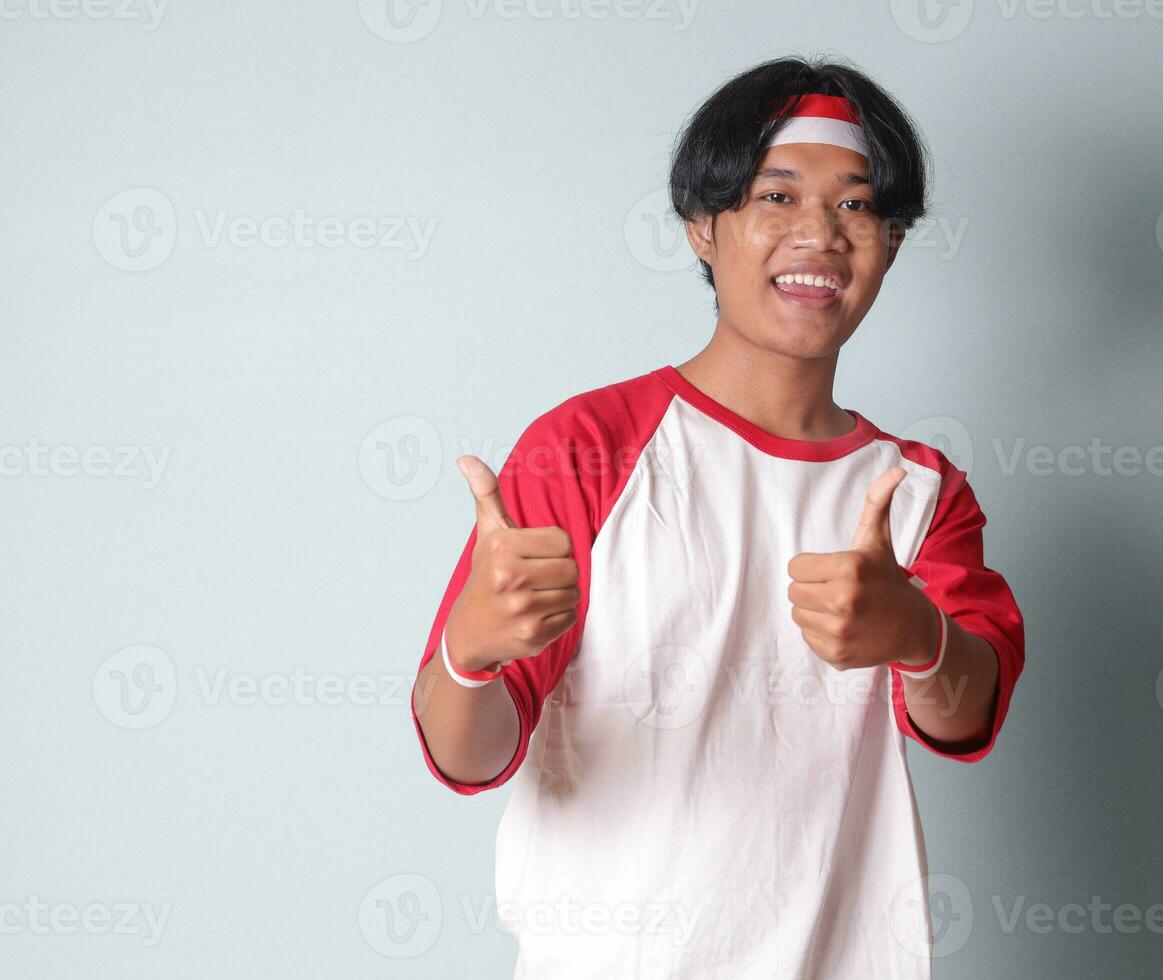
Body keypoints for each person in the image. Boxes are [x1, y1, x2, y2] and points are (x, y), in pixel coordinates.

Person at [410, 54, 1026, 979]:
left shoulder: (915, 487)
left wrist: (918, 635)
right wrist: (471, 653)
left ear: (892, 243)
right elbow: (466, 753)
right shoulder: (589, 446)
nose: (818, 233)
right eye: (776, 197)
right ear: (703, 227)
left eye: (856, 205)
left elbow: (967, 712)